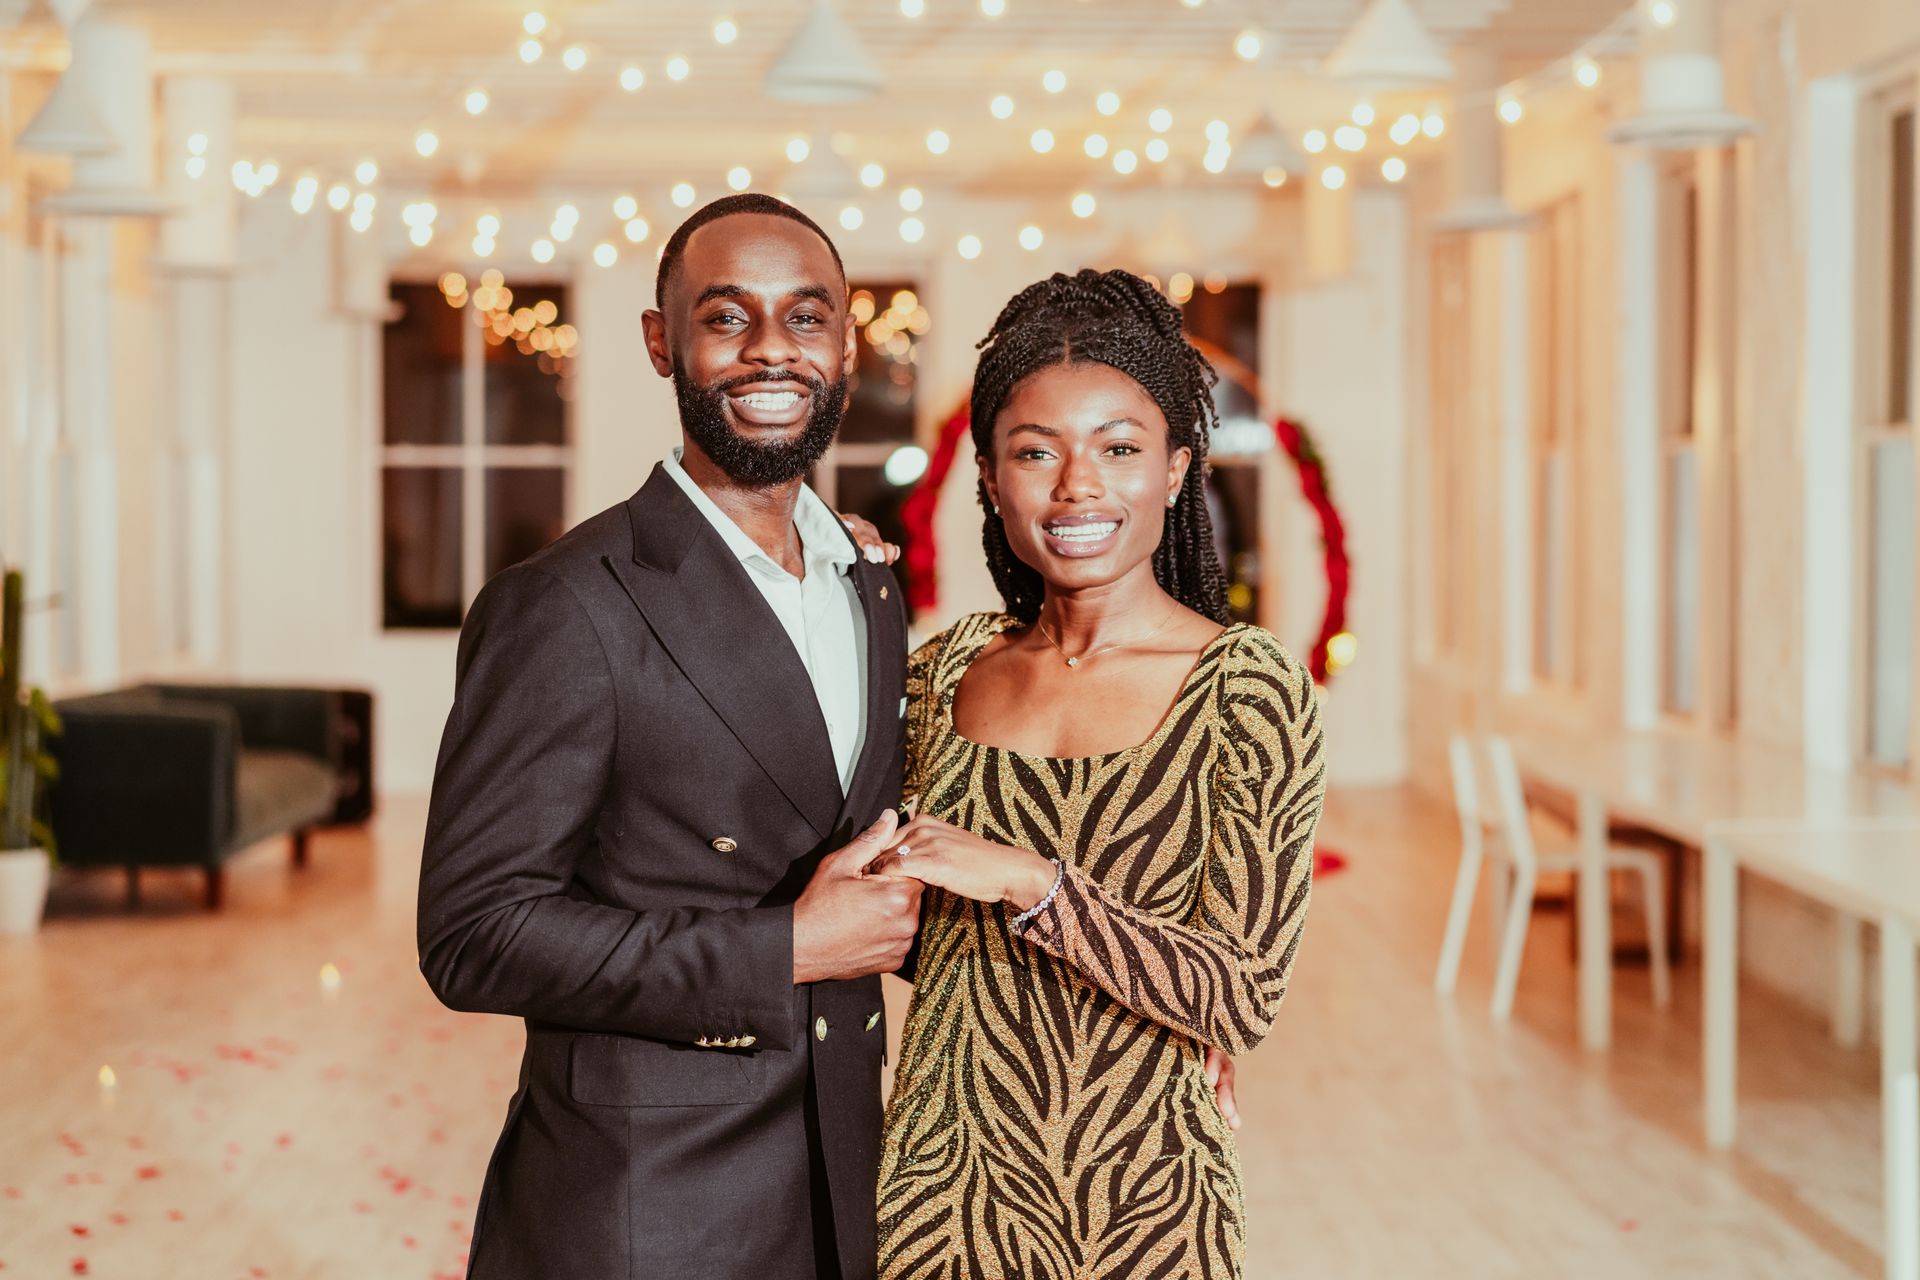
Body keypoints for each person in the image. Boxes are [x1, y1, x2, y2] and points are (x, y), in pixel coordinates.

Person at [416, 194, 922, 1280]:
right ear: (662, 341)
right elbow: (473, 932)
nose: (771, 349)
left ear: (845, 343)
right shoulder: (565, 605)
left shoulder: (868, 586)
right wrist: (783, 947)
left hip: (840, 1185)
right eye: (727, 318)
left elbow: (881, 872)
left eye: (806, 316)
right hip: (644, 1209)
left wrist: (1155, 1022)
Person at [871, 269, 1327, 1280]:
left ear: (1174, 466)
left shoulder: (1247, 689)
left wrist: (1034, 883)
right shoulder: (947, 670)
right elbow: (889, 919)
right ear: (991, 477)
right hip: (943, 1195)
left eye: (1120, 447)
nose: (1078, 485)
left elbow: (1242, 995)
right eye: (1036, 452)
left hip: (1150, 1204)